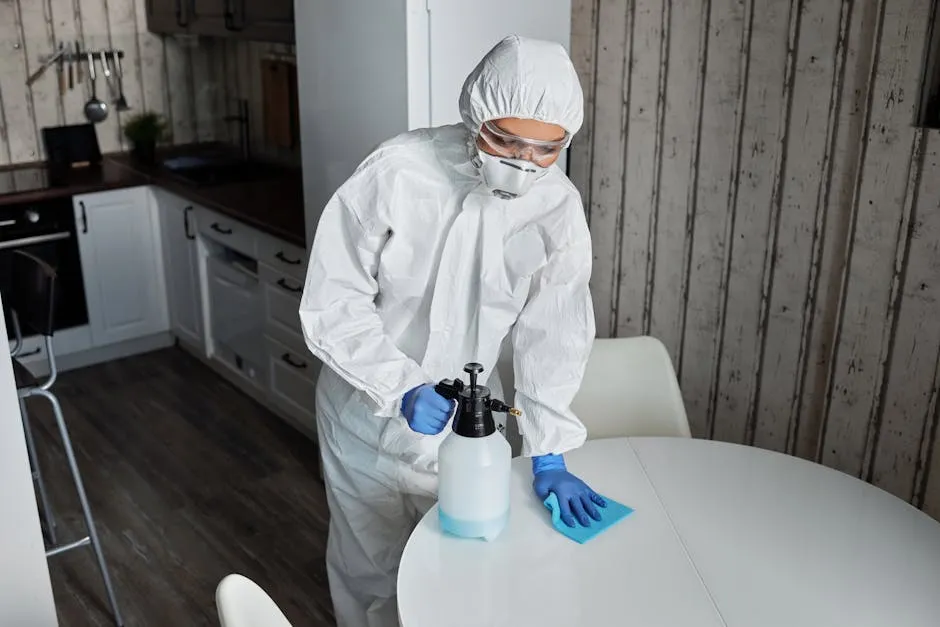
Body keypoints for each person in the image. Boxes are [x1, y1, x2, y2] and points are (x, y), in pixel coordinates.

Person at [299, 34, 605, 627]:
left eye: (545, 149)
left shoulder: (557, 209)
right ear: (475, 113)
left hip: (465, 441)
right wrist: (398, 385)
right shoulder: (397, 171)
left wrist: (548, 452)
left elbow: (554, 332)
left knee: (464, 572)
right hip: (364, 419)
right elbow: (332, 300)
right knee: (369, 572)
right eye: (505, 139)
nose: (522, 162)